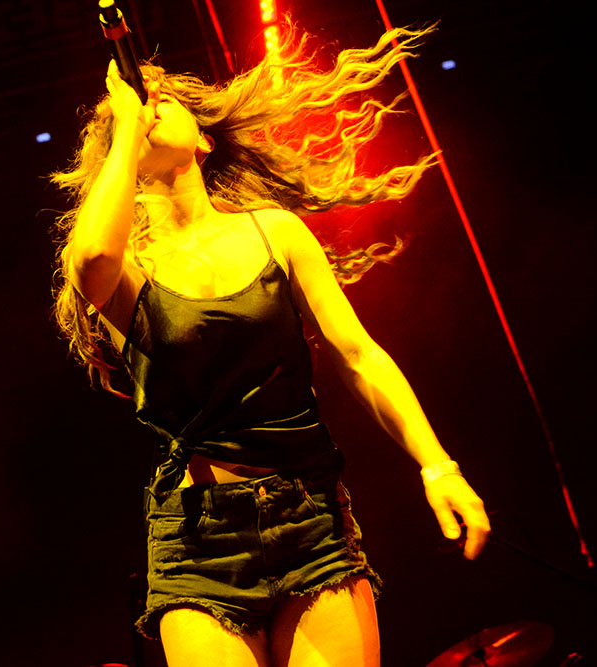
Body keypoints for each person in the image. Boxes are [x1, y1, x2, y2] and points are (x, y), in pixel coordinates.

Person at [50, 22, 490, 667]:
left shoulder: (275, 231)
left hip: (309, 514)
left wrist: (438, 466)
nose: (147, 111)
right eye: (137, 110)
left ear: (203, 139)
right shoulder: (123, 264)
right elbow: (91, 255)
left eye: (161, 103)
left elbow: (358, 354)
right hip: (199, 535)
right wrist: (125, 127)